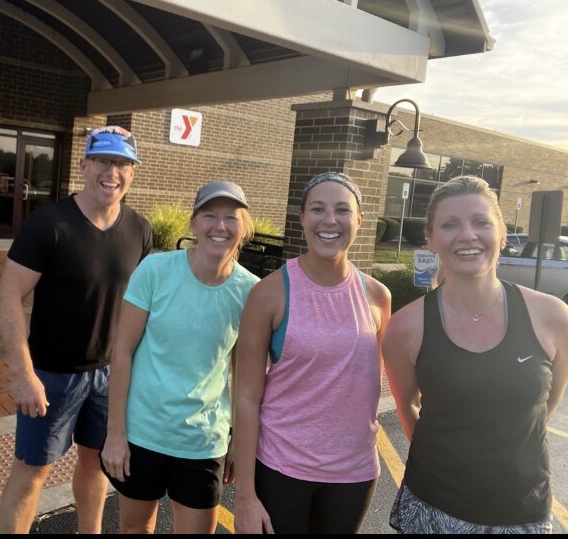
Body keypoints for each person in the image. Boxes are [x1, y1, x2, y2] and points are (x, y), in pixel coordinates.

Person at [383, 175, 568, 534]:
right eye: (450, 224)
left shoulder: (553, 316)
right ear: (431, 240)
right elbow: (406, 406)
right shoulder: (405, 327)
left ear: (501, 235)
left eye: (481, 222)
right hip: (432, 509)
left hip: (522, 511)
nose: (467, 234)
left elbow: (547, 403)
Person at [0, 125, 152, 534]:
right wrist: (22, 375)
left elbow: (146, 305)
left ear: (133, 171)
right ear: (84, 164)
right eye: (103, 160)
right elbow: (8, 297)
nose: (112, 172)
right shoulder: (48, 224)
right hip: (50, 376)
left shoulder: (139, 230)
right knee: (32, 474)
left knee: (95, 463)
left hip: (110, 375)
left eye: (122, 163)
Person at [234, 171, 391, 534]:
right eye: (317, 209)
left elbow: (371, 386)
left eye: (342, 210)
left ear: (359, 220)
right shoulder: (269, 294)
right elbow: (245, 397)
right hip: (281, 467)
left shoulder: (378, 297)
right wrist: (244, 496)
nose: (329, 220)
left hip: (354, 473)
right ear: (302, 218)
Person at [101, 180, 259, 534]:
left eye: (231, 218)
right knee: (134, 528)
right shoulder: (155, 271)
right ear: (193, 223)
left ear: (243, 227)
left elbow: (245, 375)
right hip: (143, 432)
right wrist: (115, 434)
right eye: (209, 216)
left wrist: (237, 440)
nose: (220, 227)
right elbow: (122, 352)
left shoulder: (251, 291)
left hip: (203, 441)